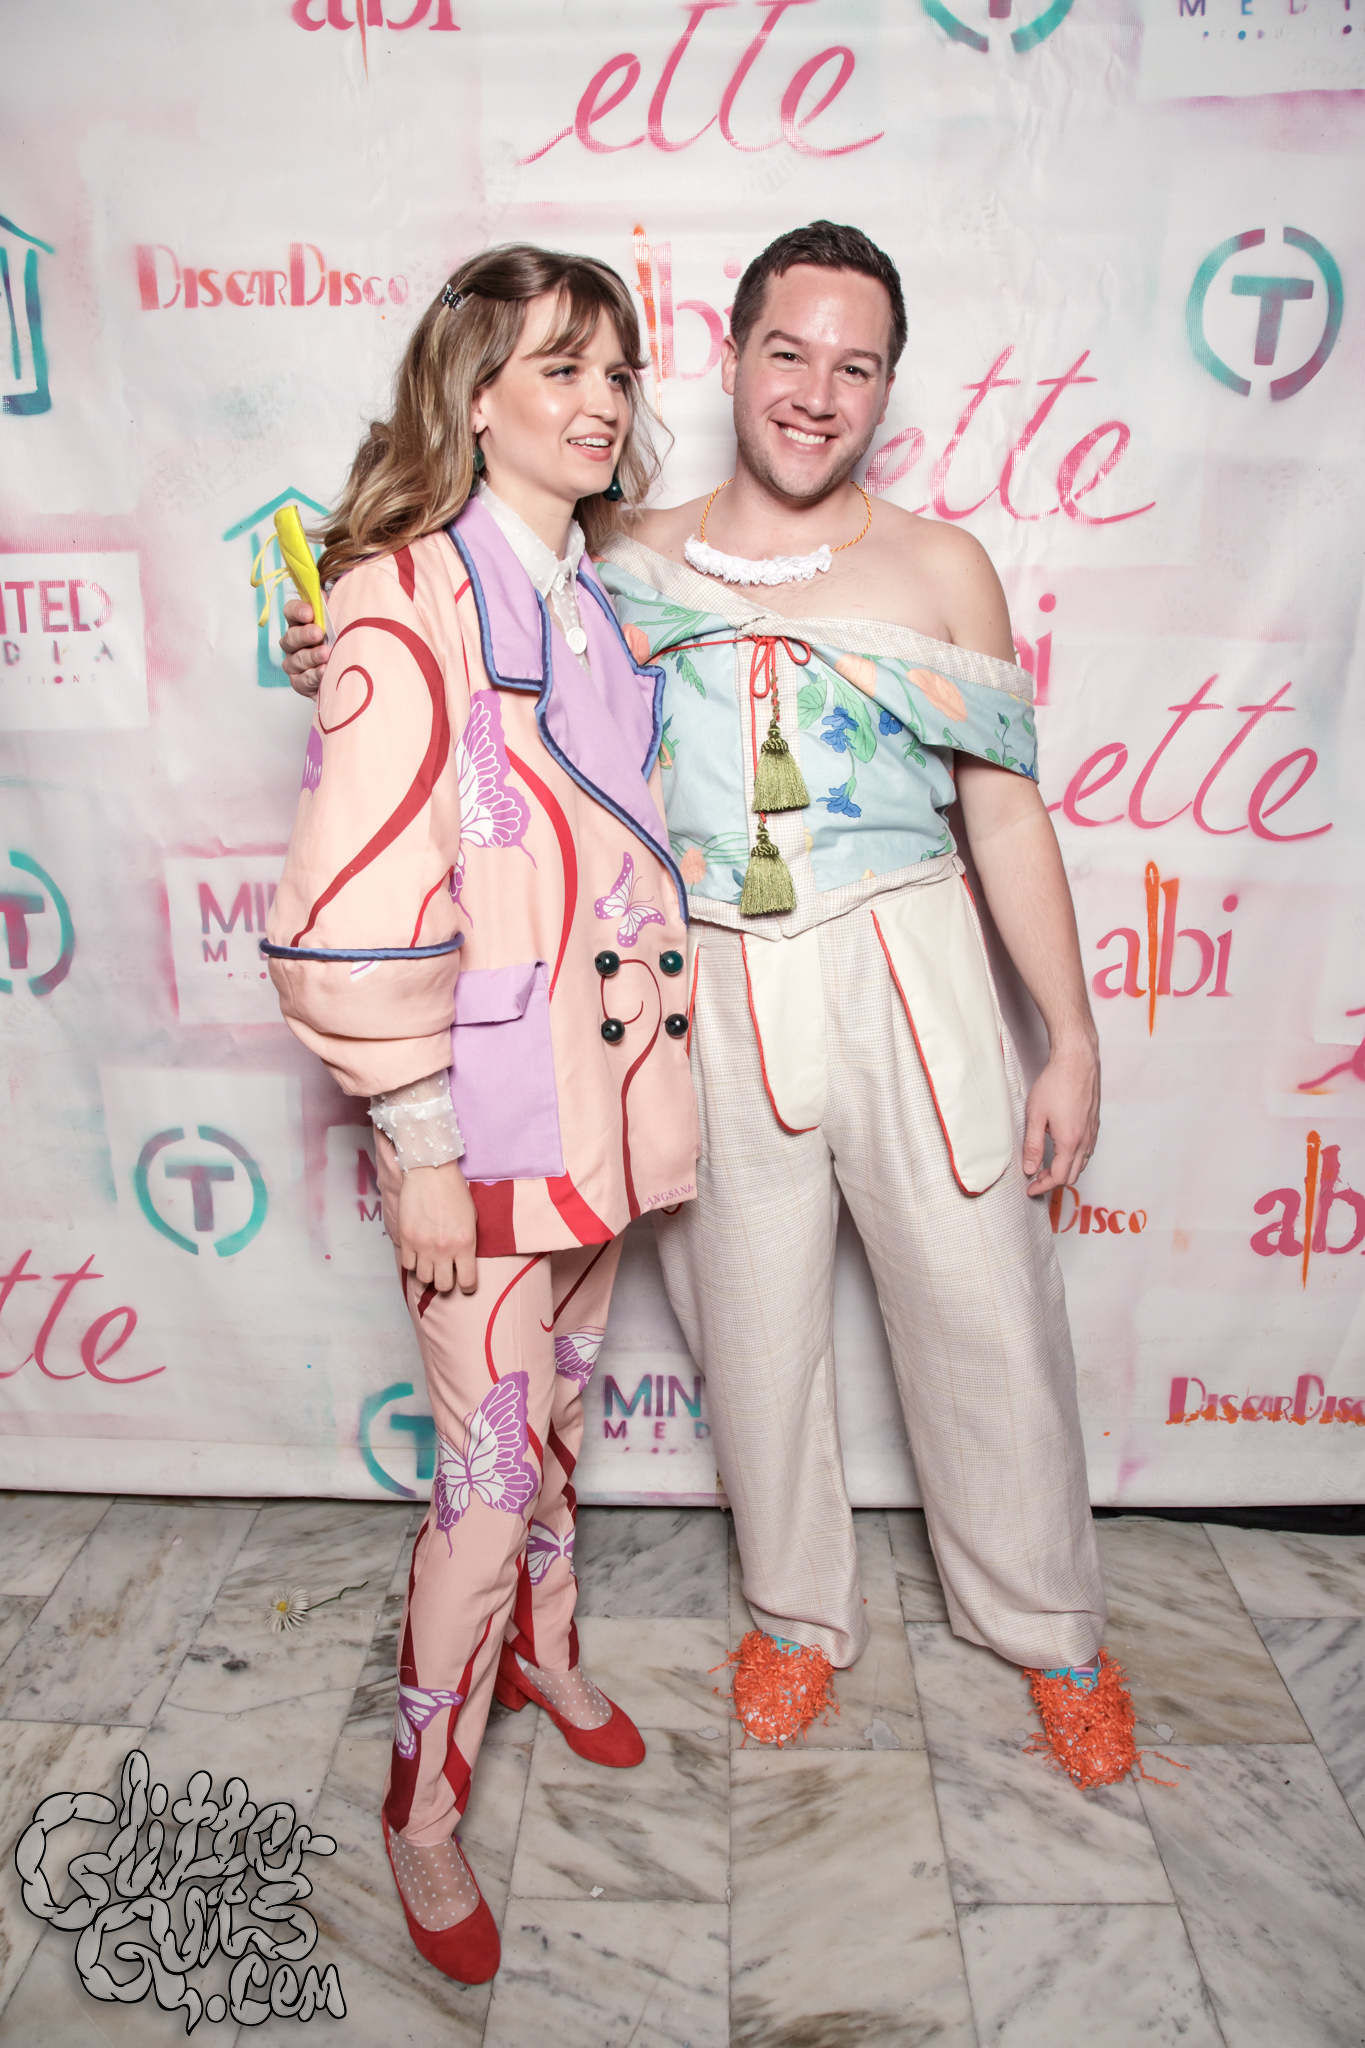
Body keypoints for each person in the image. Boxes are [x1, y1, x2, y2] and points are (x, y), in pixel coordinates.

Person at [282, 223, 1133, 1790]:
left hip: (910, 958)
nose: (816, 392)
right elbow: (460, 648)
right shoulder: (618, 556)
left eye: (855, 366)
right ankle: (795, 1615)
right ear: (730, 359)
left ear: (887, 388)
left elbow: (1004, 811)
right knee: (751, 1323)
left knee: (987, 1313)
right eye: (787, 353)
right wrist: (324, 649)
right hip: (700, 982)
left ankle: (1053, 1632)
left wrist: (1067, 1036)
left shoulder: (945, 567)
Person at [264, 245, 700, 1985]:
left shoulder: (588, 594)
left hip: (598, 1101)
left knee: (561, 1419)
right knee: (486, 1468)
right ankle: (420, 1802)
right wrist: (418, 1142)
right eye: (559, 368)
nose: (600, 402)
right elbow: (352, 894)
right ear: (473, 394)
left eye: (616, 372)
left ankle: (546, 1650)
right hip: (483, 1124)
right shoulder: (404, 595)